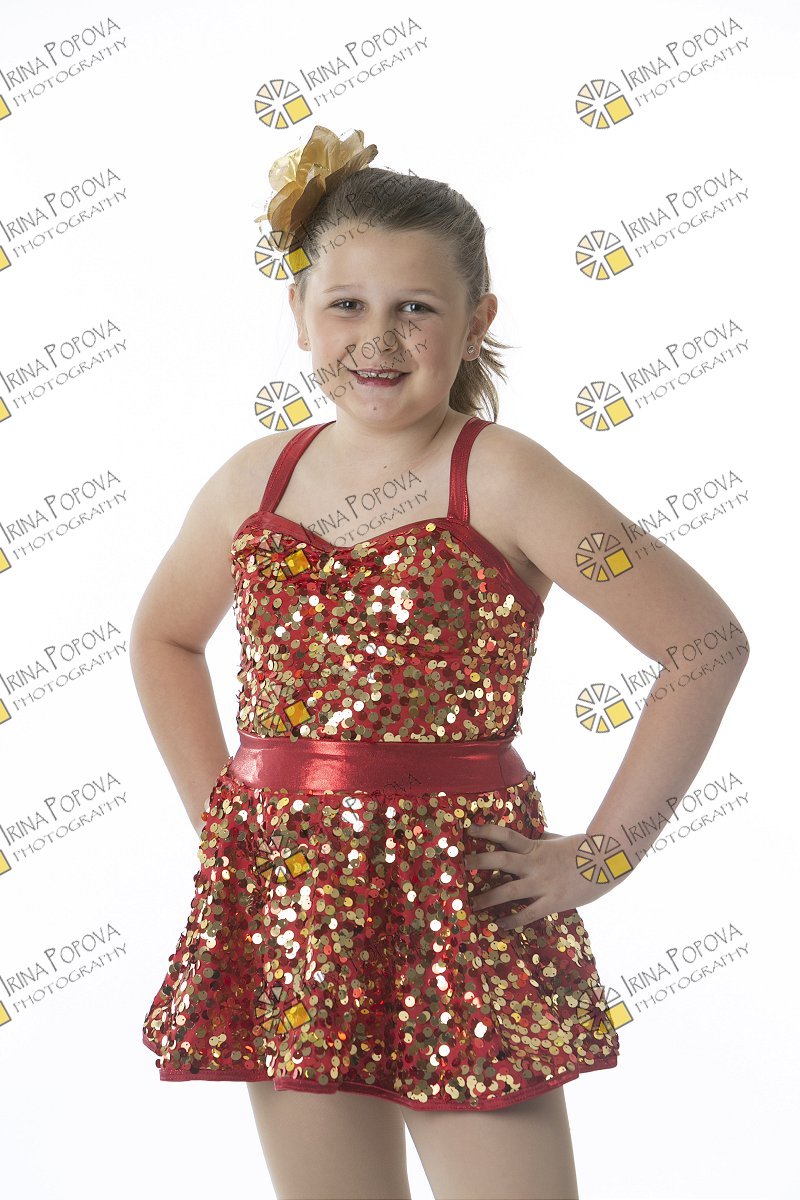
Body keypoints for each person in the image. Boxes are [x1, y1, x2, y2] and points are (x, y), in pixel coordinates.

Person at [133, 126, 749, 1200]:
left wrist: (606, 854)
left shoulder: (506, 478)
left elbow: (702, 644)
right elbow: (162, 638)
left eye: (414, 307)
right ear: (299, 315)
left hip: (462, 909)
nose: (378, 338)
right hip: (294, 909)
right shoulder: (251, 481)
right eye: (347, 304)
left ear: (476, 323)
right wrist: (226, 823)